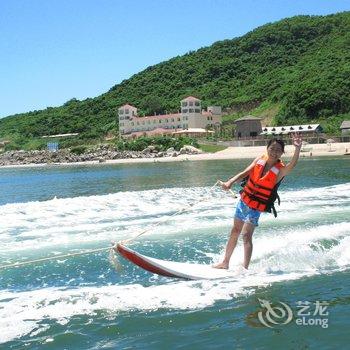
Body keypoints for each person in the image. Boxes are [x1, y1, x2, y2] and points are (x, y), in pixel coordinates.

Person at [213, 133, 302, 270]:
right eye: (272, 148)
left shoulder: (280, 170)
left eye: (278, 150)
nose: (274, 152)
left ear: (282, 153)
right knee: (235, 231)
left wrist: (297, 148)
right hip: (244, 201)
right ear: (267, 149)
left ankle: (245, 269)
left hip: (256, 207)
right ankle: (225, 262)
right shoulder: (260, 159)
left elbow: (293, 164)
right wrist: (230, 182)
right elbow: (245, 172)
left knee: (246, 235)